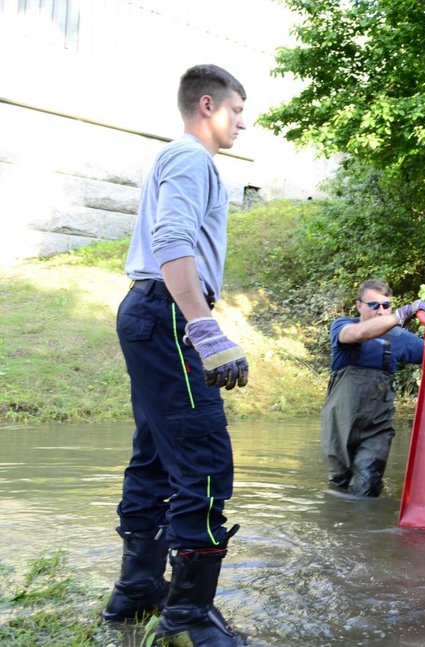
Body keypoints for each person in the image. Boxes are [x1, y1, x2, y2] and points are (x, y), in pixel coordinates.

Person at [103, 64, 249, 646]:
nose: (244, 121)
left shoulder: (176, 160)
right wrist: (205, 330)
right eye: (238, 110)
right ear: (208, 105)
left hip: (148, 311)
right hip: (167, 312)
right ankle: (187, 618)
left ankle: (138, 589)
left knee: (156, 456)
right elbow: (171, 241)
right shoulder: (192, 159)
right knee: (204, 460)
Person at [320, 279, 425, 497]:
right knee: (338, 485)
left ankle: (365, 525)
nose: (381, 311)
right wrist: (399, 316)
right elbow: (359, 334)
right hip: (339, 424)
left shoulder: (400, 338)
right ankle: (336, 527)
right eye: (374, 305)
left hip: (376, 427)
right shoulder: (342, 326)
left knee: (367, 489)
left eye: (386, 306)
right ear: (359, 305)